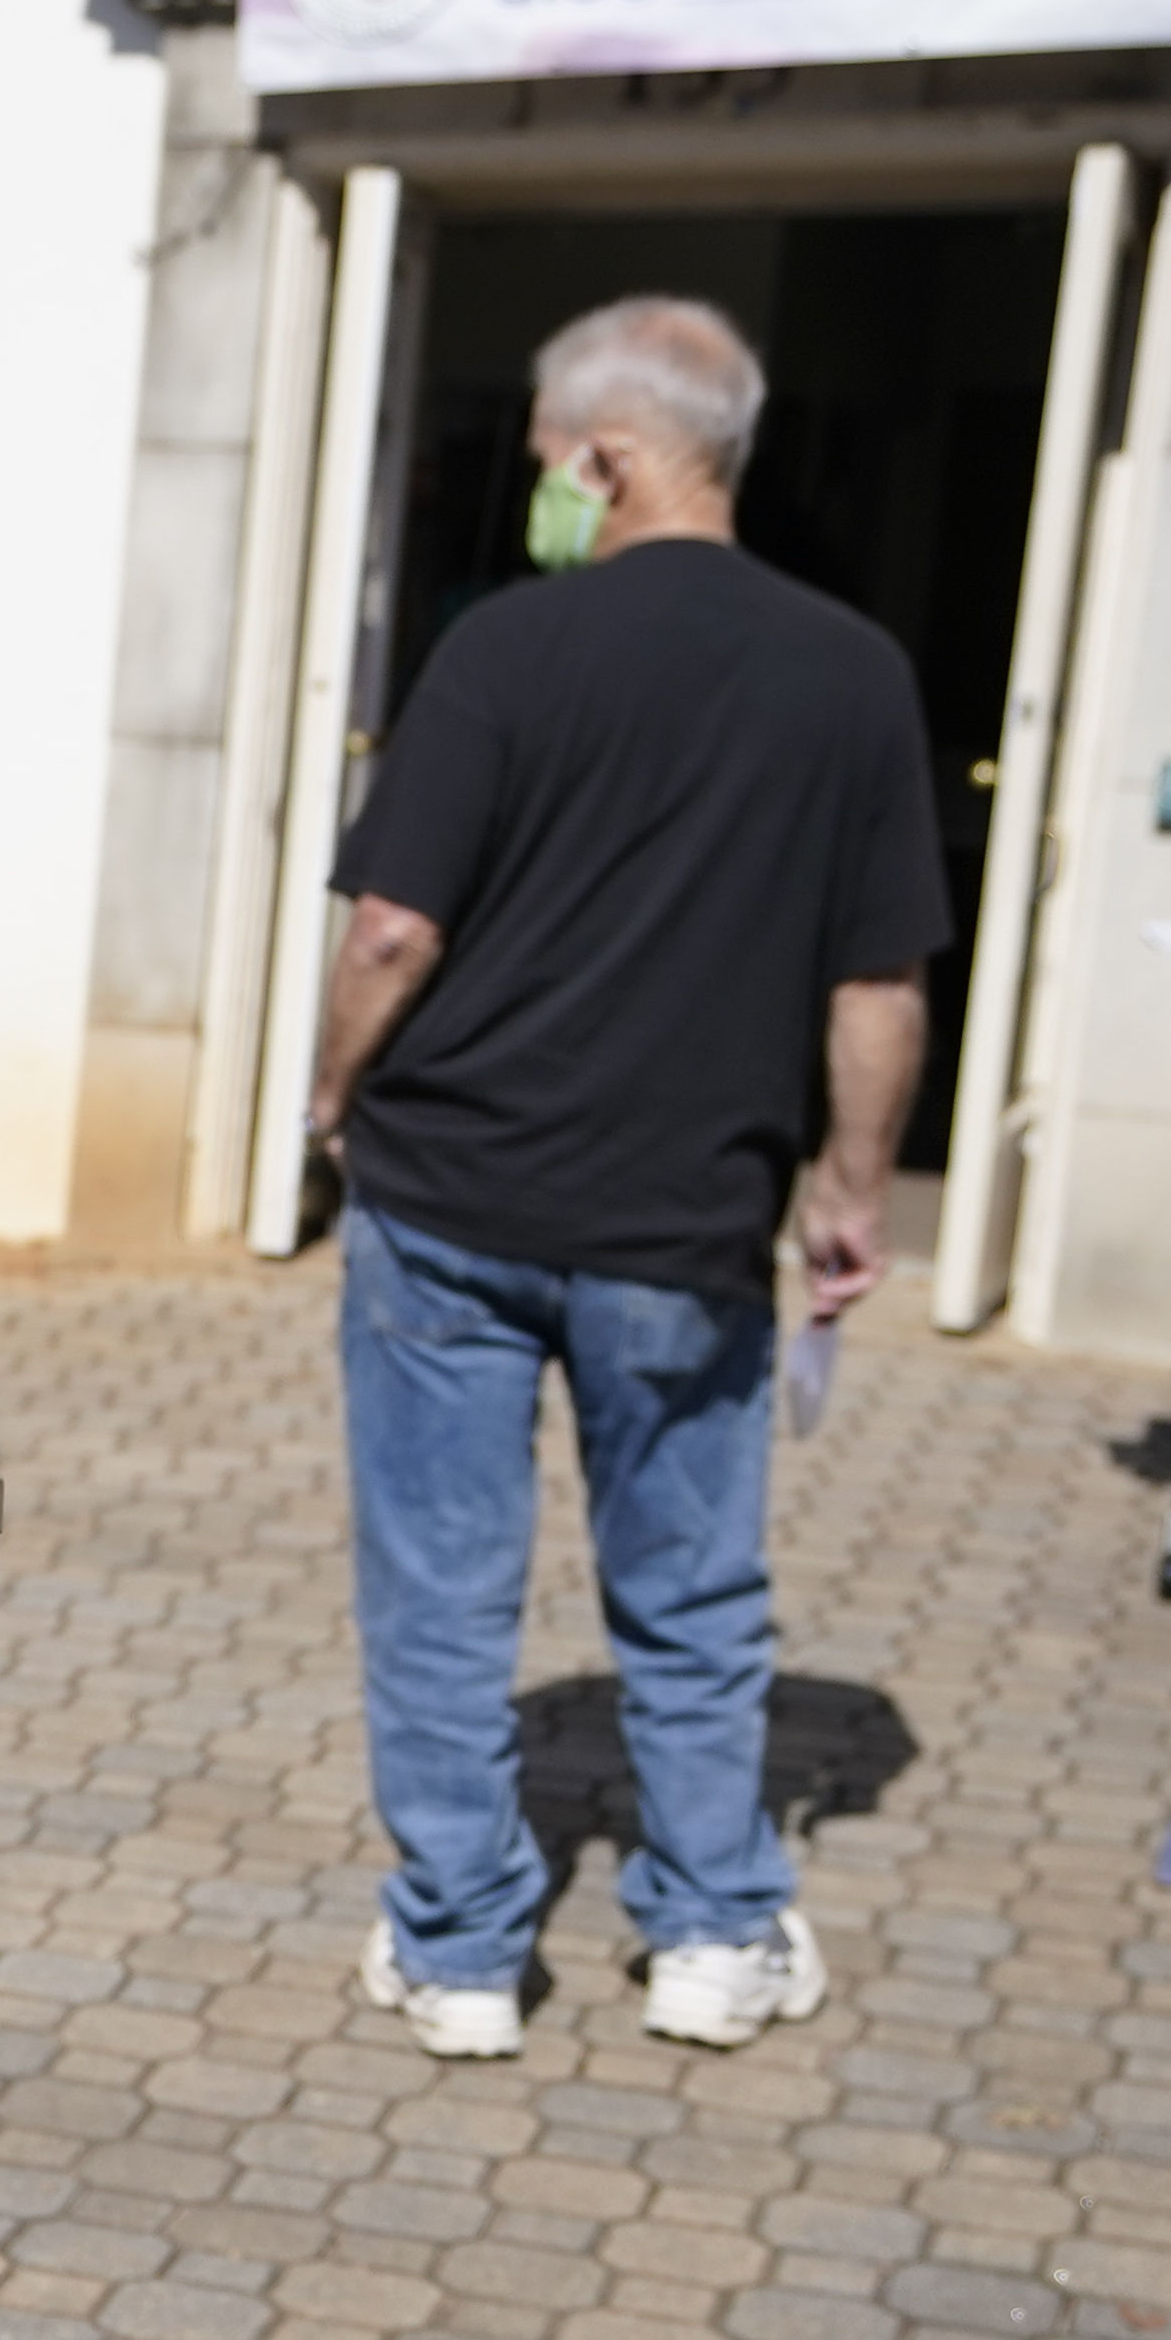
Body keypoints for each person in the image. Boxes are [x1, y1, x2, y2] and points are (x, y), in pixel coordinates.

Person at [303, 295, 946, 2063]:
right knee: (689, 1591)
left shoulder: (503, 654)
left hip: (449, 1200)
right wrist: (849, 1185)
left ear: (605, 457)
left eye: (539, 461)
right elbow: (876, 982)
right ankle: (712, 1938)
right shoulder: (850, 674)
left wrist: (326, 1092)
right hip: (682, 1219)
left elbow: (389, 924)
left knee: (438, 1591)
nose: (535, 493)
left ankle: (452, 1957)